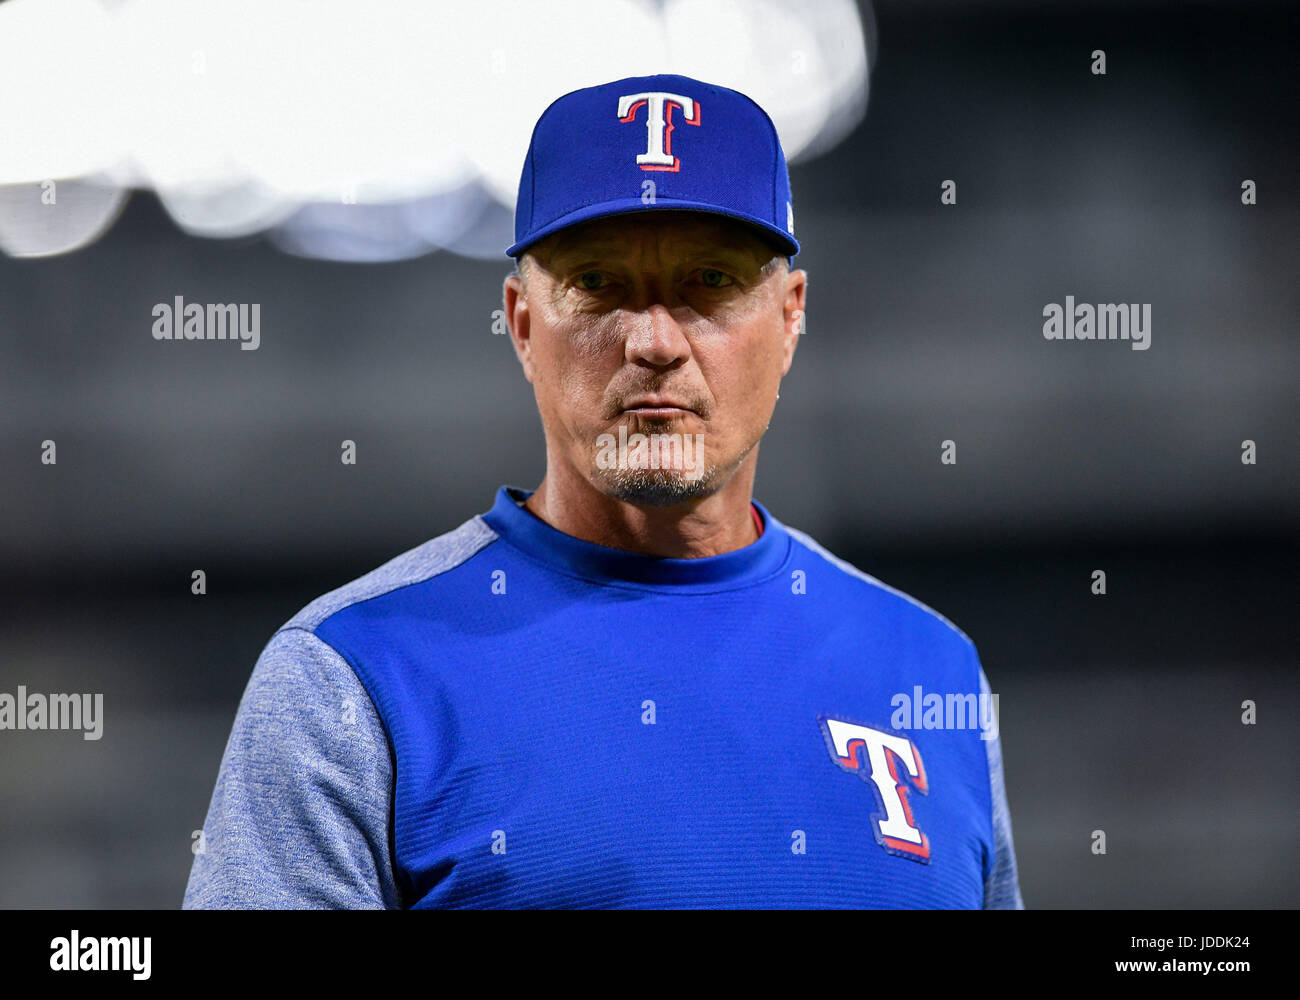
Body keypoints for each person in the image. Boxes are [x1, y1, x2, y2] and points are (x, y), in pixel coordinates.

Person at [184, 73, 1023, 909]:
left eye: (710, 282)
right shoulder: (355, 676)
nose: (655, 341)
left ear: (791, 315)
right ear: (520, 322)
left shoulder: (931, 669)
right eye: (597, 285)